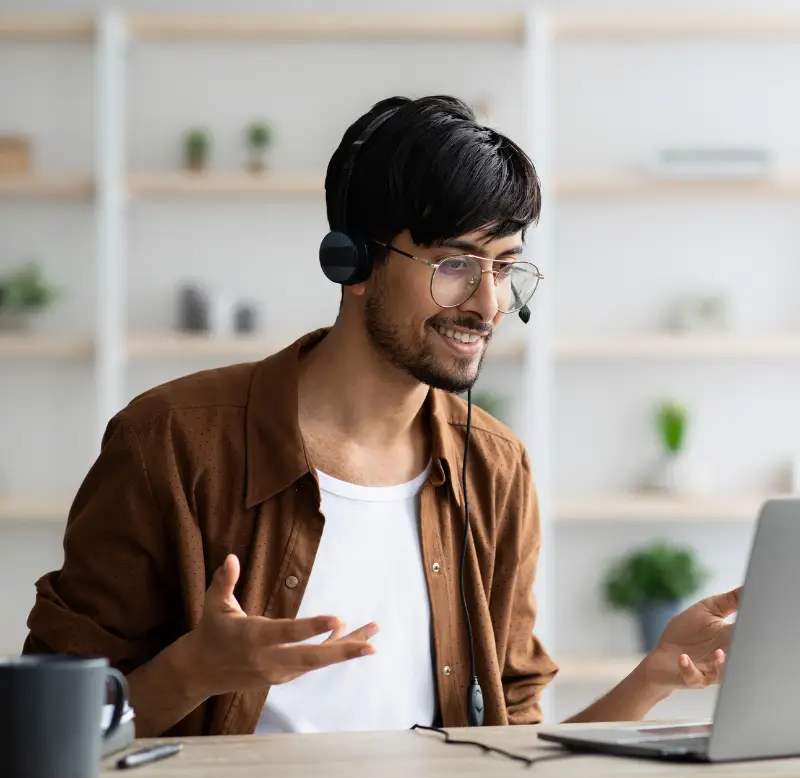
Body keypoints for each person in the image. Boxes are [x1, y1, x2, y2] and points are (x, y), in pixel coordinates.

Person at [23, 95, 737, 738]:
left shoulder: (495, 467)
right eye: (456, 264)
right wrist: (195, 671)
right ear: (354, 263)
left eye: (505, 267)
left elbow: (518, 743)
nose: (489, 305)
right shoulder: (172, 442)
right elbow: (42, 730)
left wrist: (653, 680)